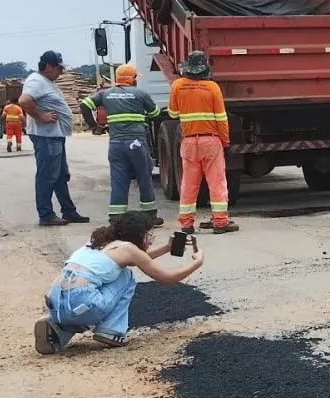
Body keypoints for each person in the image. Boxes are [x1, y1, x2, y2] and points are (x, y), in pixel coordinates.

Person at [34, 210, 204, 354]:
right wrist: (196, 263)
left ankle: (57, 327)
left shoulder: (99, 242)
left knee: (86, 300)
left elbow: (136, 260)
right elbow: (167, 278)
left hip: (55, 299)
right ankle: (111, 331)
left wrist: (167, 248)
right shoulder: (129, 249)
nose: (152, 239)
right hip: (82, 302)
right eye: (150, 234)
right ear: (140, 235)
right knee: (126, 277)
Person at [80, 64, 163, 228]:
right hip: (136, 143)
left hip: (116, 144)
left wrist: (94, 126)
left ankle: (116, 217)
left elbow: (85, 105)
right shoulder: (140, 94)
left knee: (119, 179)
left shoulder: (105, 94)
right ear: (132, 79)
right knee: (144, 177)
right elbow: (155, 114)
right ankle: (149, 215)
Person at [169, 50, 239, 234]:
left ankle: (186, 224)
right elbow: (222, 119)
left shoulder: (177, 85)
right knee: (217, 183)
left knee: (189, 184)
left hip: (189, 143)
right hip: (211, 142)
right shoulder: (212, 87)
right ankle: (220, 222)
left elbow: (173, 114)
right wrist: (226, 143)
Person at [19, 50, 88, 227]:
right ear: (48, 66)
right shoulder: (36, 81)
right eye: (58, 68)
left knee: (60, 176)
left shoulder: (45, 82)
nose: (61, 72)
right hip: (46, 136)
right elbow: (25, 100)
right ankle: (46, 214)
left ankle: (69, 211)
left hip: (54, 136)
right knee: (48, 176)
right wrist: (41, 116)